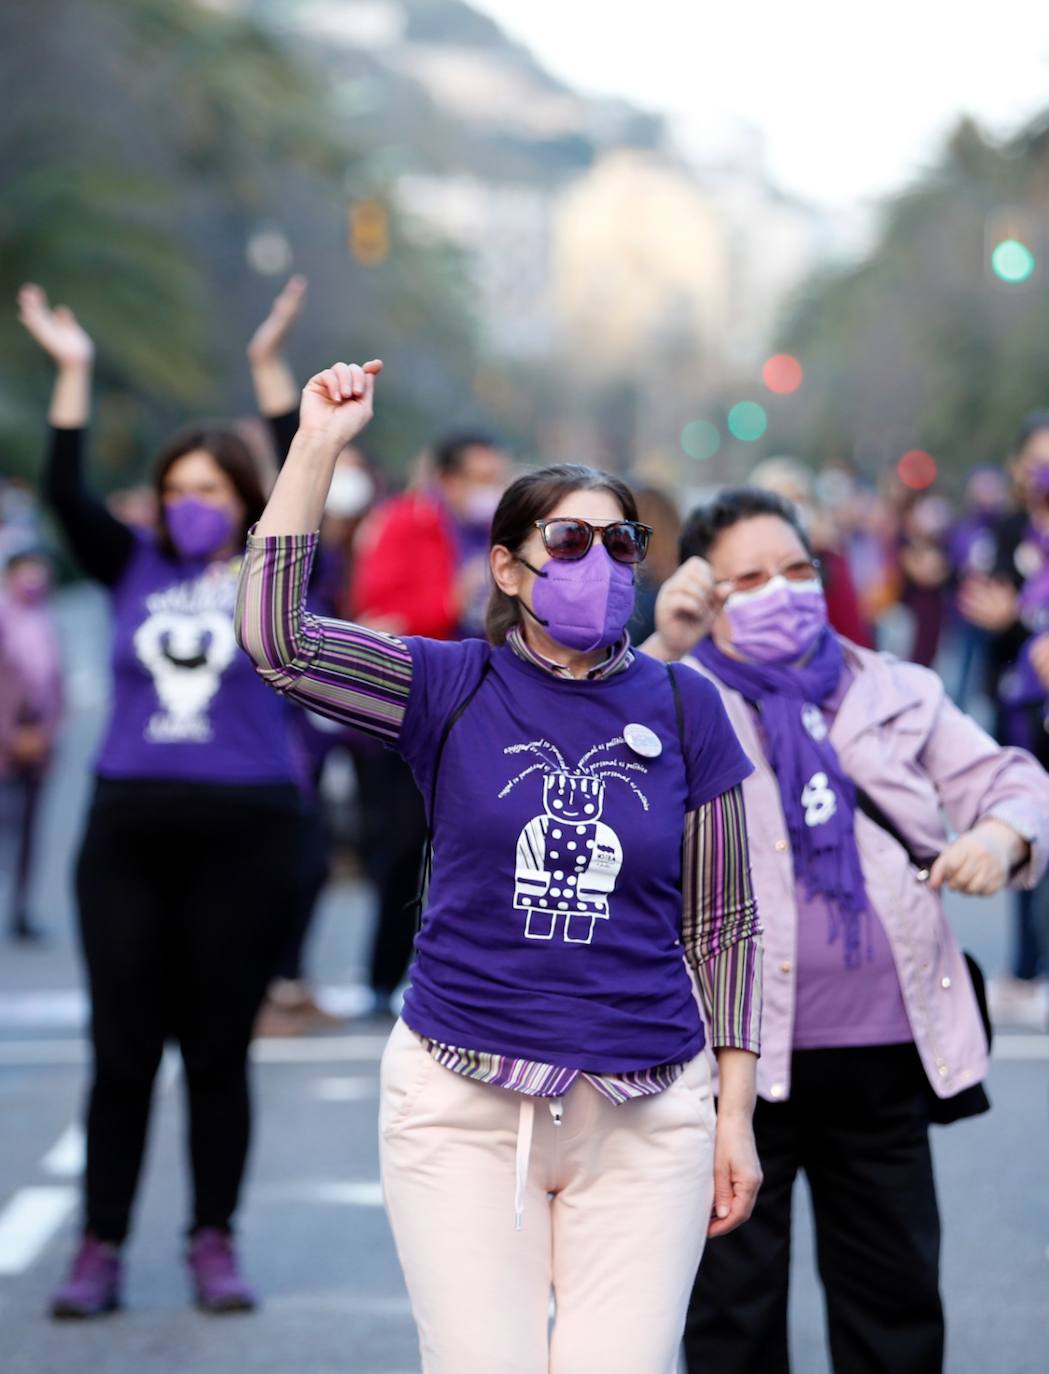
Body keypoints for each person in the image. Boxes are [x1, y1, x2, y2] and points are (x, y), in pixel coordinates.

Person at [236, 357, 764, 1373]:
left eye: (622, 543)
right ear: (510, 569)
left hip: (649, 1108)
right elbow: (276, 643)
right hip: (462, 1103)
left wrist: (730, 1115)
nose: (599, 564)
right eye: (566, 541)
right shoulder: (448, 684)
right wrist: (314, 446)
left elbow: (724, 922)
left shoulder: (686, 703)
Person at [644, 486, 1049, 1374]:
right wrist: (661, 648)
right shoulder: (670, 696)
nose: (781, 590)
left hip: (883, 1052)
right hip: (727, 1063)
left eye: (796, 570)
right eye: (749, 578)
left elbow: (1014, 780)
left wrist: (999, 833)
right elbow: (592, 769)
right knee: (730, 1319)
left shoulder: (897, 688)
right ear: (702, 593)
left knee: (893, 1308)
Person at [17, 283, 303, 1318]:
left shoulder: (275, 572)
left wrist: (273, 368)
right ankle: (99, 1248)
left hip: (250, 839)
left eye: (211, 488)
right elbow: (61, 488)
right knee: (122, 1056)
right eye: (175, 485)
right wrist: (74, 370)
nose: (192, 502)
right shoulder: (125, 559)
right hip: (128, 839)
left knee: (219, 1053)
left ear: (241, 499)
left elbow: (294, 466)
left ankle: (212, 1243)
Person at [959, 412, 1049, 1028]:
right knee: (1025, 829)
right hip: (1022, 711)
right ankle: (1025, 968)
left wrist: (1019, 619)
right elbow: (983, 607)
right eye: (1035, 460)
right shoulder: (1004, 532)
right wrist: (1018, 624)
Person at [0, 546, 64, 941]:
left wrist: (46, 733)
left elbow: (58, 688)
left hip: (38, 746)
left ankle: (21, 910)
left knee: (28, 835)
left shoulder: (45, 623)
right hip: (6, 746)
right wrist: (11, 736)